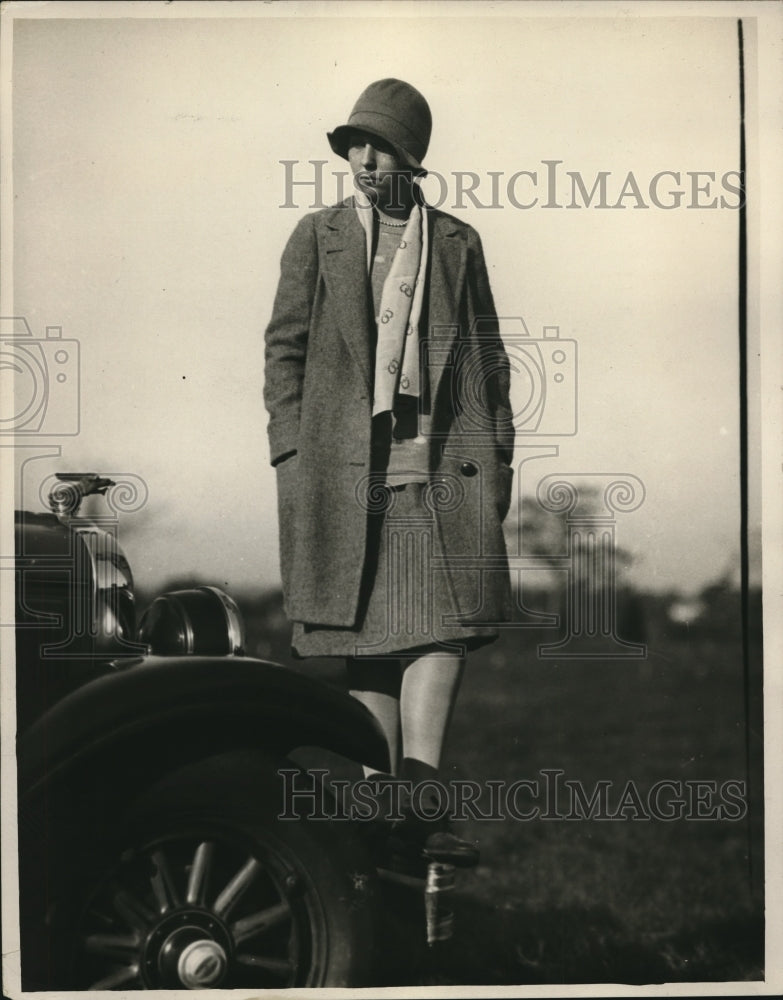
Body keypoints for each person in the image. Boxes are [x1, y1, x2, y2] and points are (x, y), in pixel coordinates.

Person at [264, 79, 514, 868]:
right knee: (364, 641)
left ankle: (419, 804)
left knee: (441, 631)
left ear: (412, 157)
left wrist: (496, 459)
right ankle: (383, 814)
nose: (364, 162)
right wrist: (291, 453)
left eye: (380, 147)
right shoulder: (318, 236)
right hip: (338, 472)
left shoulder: (456, 243)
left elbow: (485, 358)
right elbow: (285, 350)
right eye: (353, 147)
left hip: (439, 471)